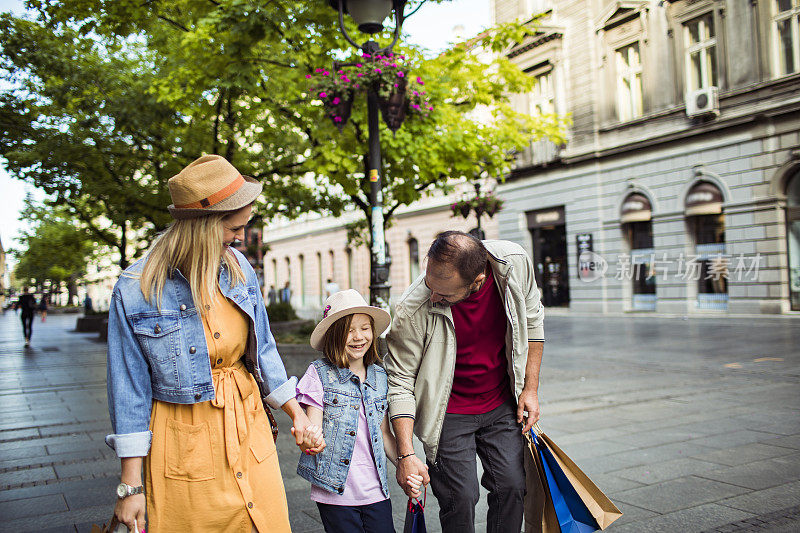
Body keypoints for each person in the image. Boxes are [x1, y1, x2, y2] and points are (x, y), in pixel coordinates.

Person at [106, 155, 316, 533]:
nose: (241, 237)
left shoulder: (238, 267)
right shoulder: (136, 288)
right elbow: (128, 389)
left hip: (248, 424)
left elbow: (264, 348)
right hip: (183, 439)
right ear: (201, 226)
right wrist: (130, 485)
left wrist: (296, 413)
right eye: (234, 228)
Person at [385, 231, 545, 533]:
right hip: (448, 413)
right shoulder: (412, 308)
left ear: (478, 281)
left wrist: (531, 389)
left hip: (501, 403)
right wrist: (406, 454)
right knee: (460, 498)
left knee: (512, 486)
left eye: (444, 294)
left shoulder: (515, 264)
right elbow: (401, 382)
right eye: (429, 284)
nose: (433, 296)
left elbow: (534, 321)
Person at [295, 289, 423, 533]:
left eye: (365, 328)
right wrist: (310, 438)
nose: (358, 336)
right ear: (335, 335)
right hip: (335, 490)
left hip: (376, 489)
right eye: (349, 330)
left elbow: (384, 433)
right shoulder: (319, 374)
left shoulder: (380, 376)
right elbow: (312, 428)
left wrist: (405, 467)